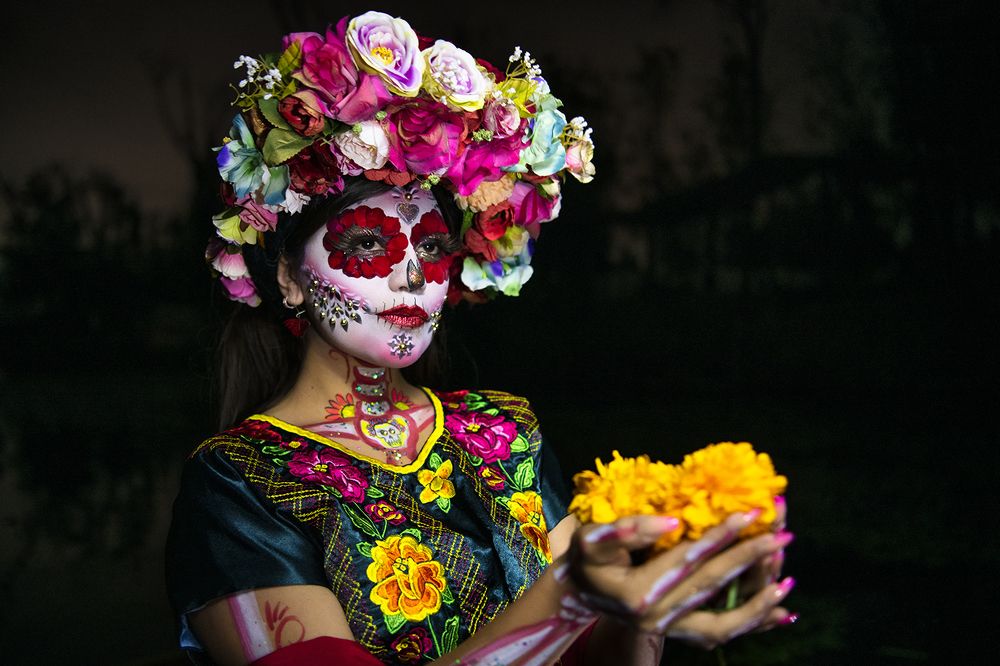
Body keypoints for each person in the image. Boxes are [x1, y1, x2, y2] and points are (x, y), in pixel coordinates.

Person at [166, 11, 795, 665]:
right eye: (367, 243)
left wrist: (651, 601)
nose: (414, 274)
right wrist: (571, 594)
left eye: (434, 246)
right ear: (291, 277)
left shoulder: (507, 430)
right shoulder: (240, 485)